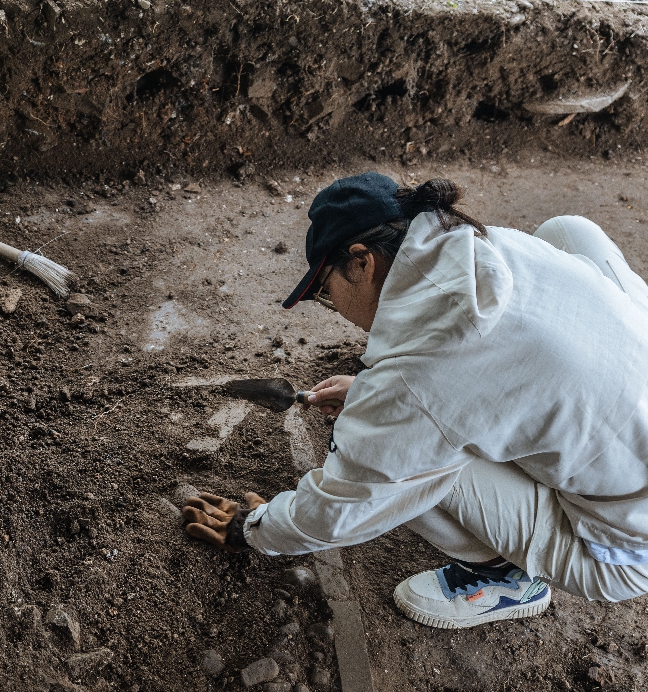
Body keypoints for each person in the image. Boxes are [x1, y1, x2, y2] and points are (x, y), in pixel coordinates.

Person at [182, 172, 648, 629]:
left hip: (624, 552)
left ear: (362, 261)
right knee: (569, 233)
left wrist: (253, 529)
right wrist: (376, 392)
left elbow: (345, 502)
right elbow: (463, 376)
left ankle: (502, 578)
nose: (335, 309)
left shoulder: (425, 375)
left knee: (406, 462)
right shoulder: (482, 245)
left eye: (326, 292)